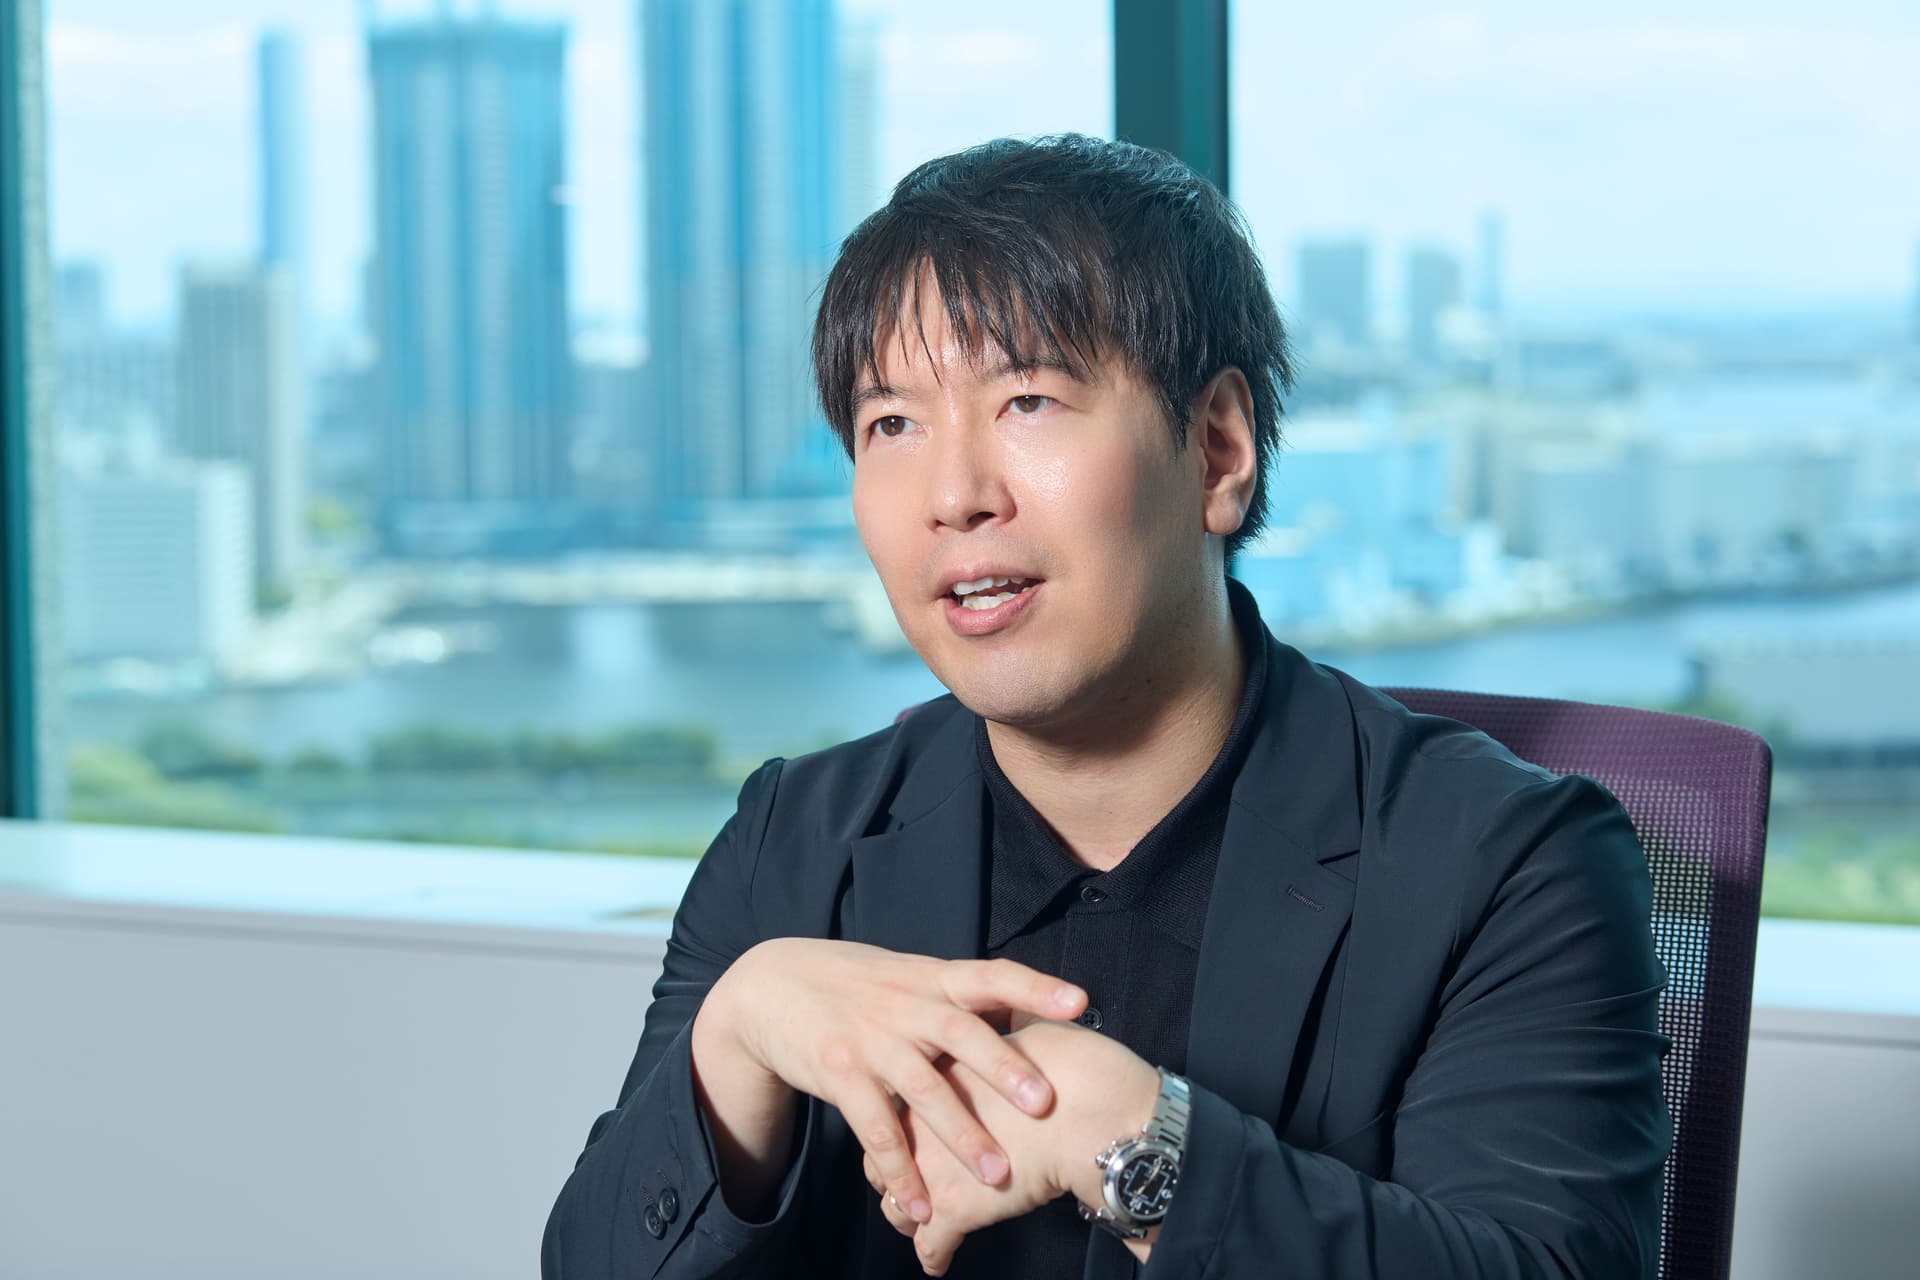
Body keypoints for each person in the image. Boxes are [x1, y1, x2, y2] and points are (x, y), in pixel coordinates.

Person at [541, 134, 1669, 1280]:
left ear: (1218, 449)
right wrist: (732, 1041)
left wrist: (1133, 1139)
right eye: (893, 424)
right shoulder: (794, 841)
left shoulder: (1509, 864)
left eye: (1028, 399)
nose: (954, 496)